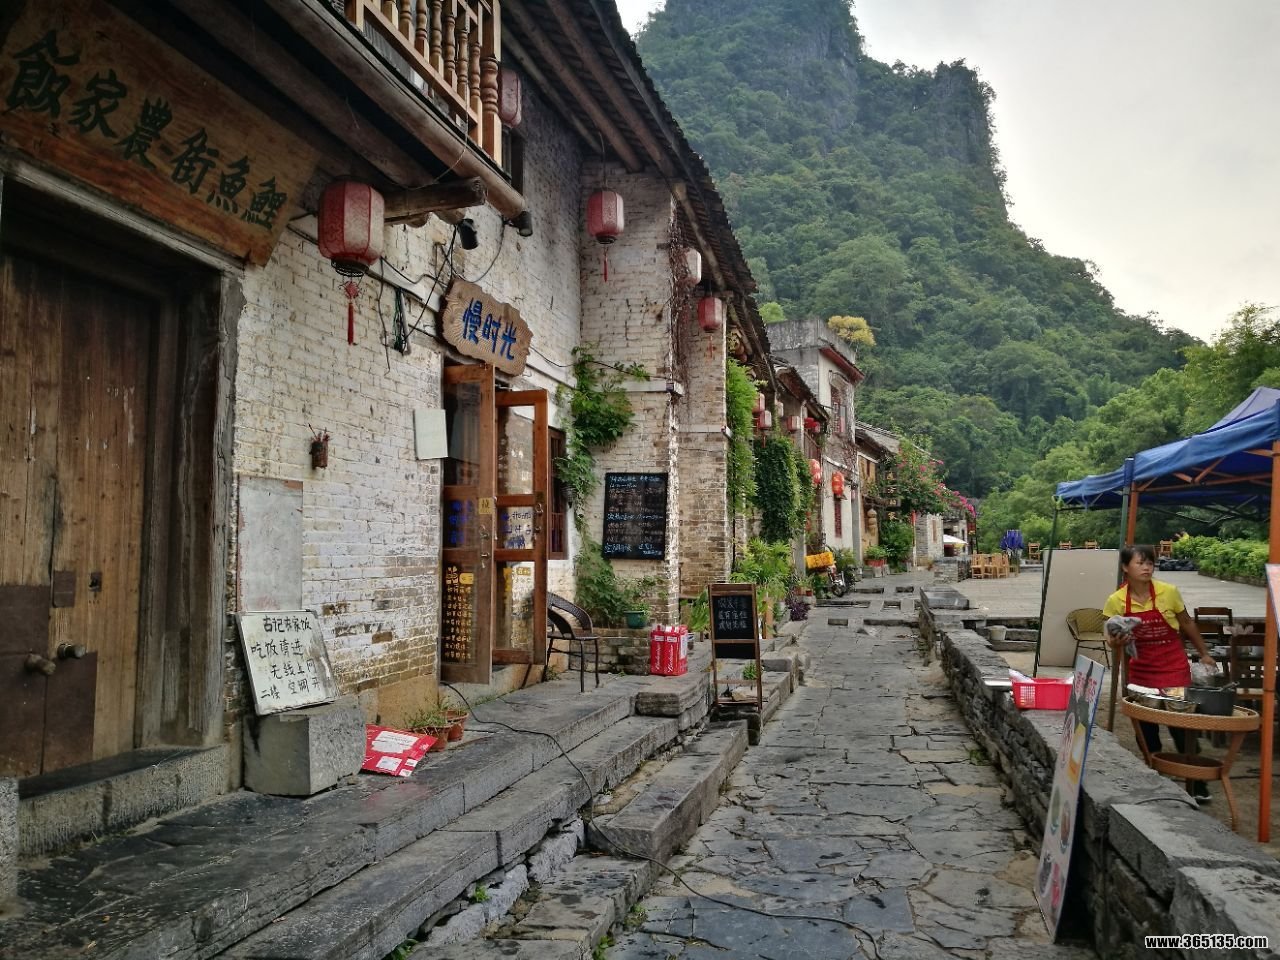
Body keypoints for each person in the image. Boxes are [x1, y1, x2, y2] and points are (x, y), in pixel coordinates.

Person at [1104, 543, 1217, 803]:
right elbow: (1110, 637)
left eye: (1150, 563)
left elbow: (1186, 623)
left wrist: (1204, 653)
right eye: (1140, 563)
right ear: (1125, 567)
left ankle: (1196, 781)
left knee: (1182, 724)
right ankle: (1155, 772)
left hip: (1173, 668)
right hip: (1142, 671)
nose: (1146, 567)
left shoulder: (1169, 592)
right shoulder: (1116, 600)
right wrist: (1117, 642)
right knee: (1146, 726)